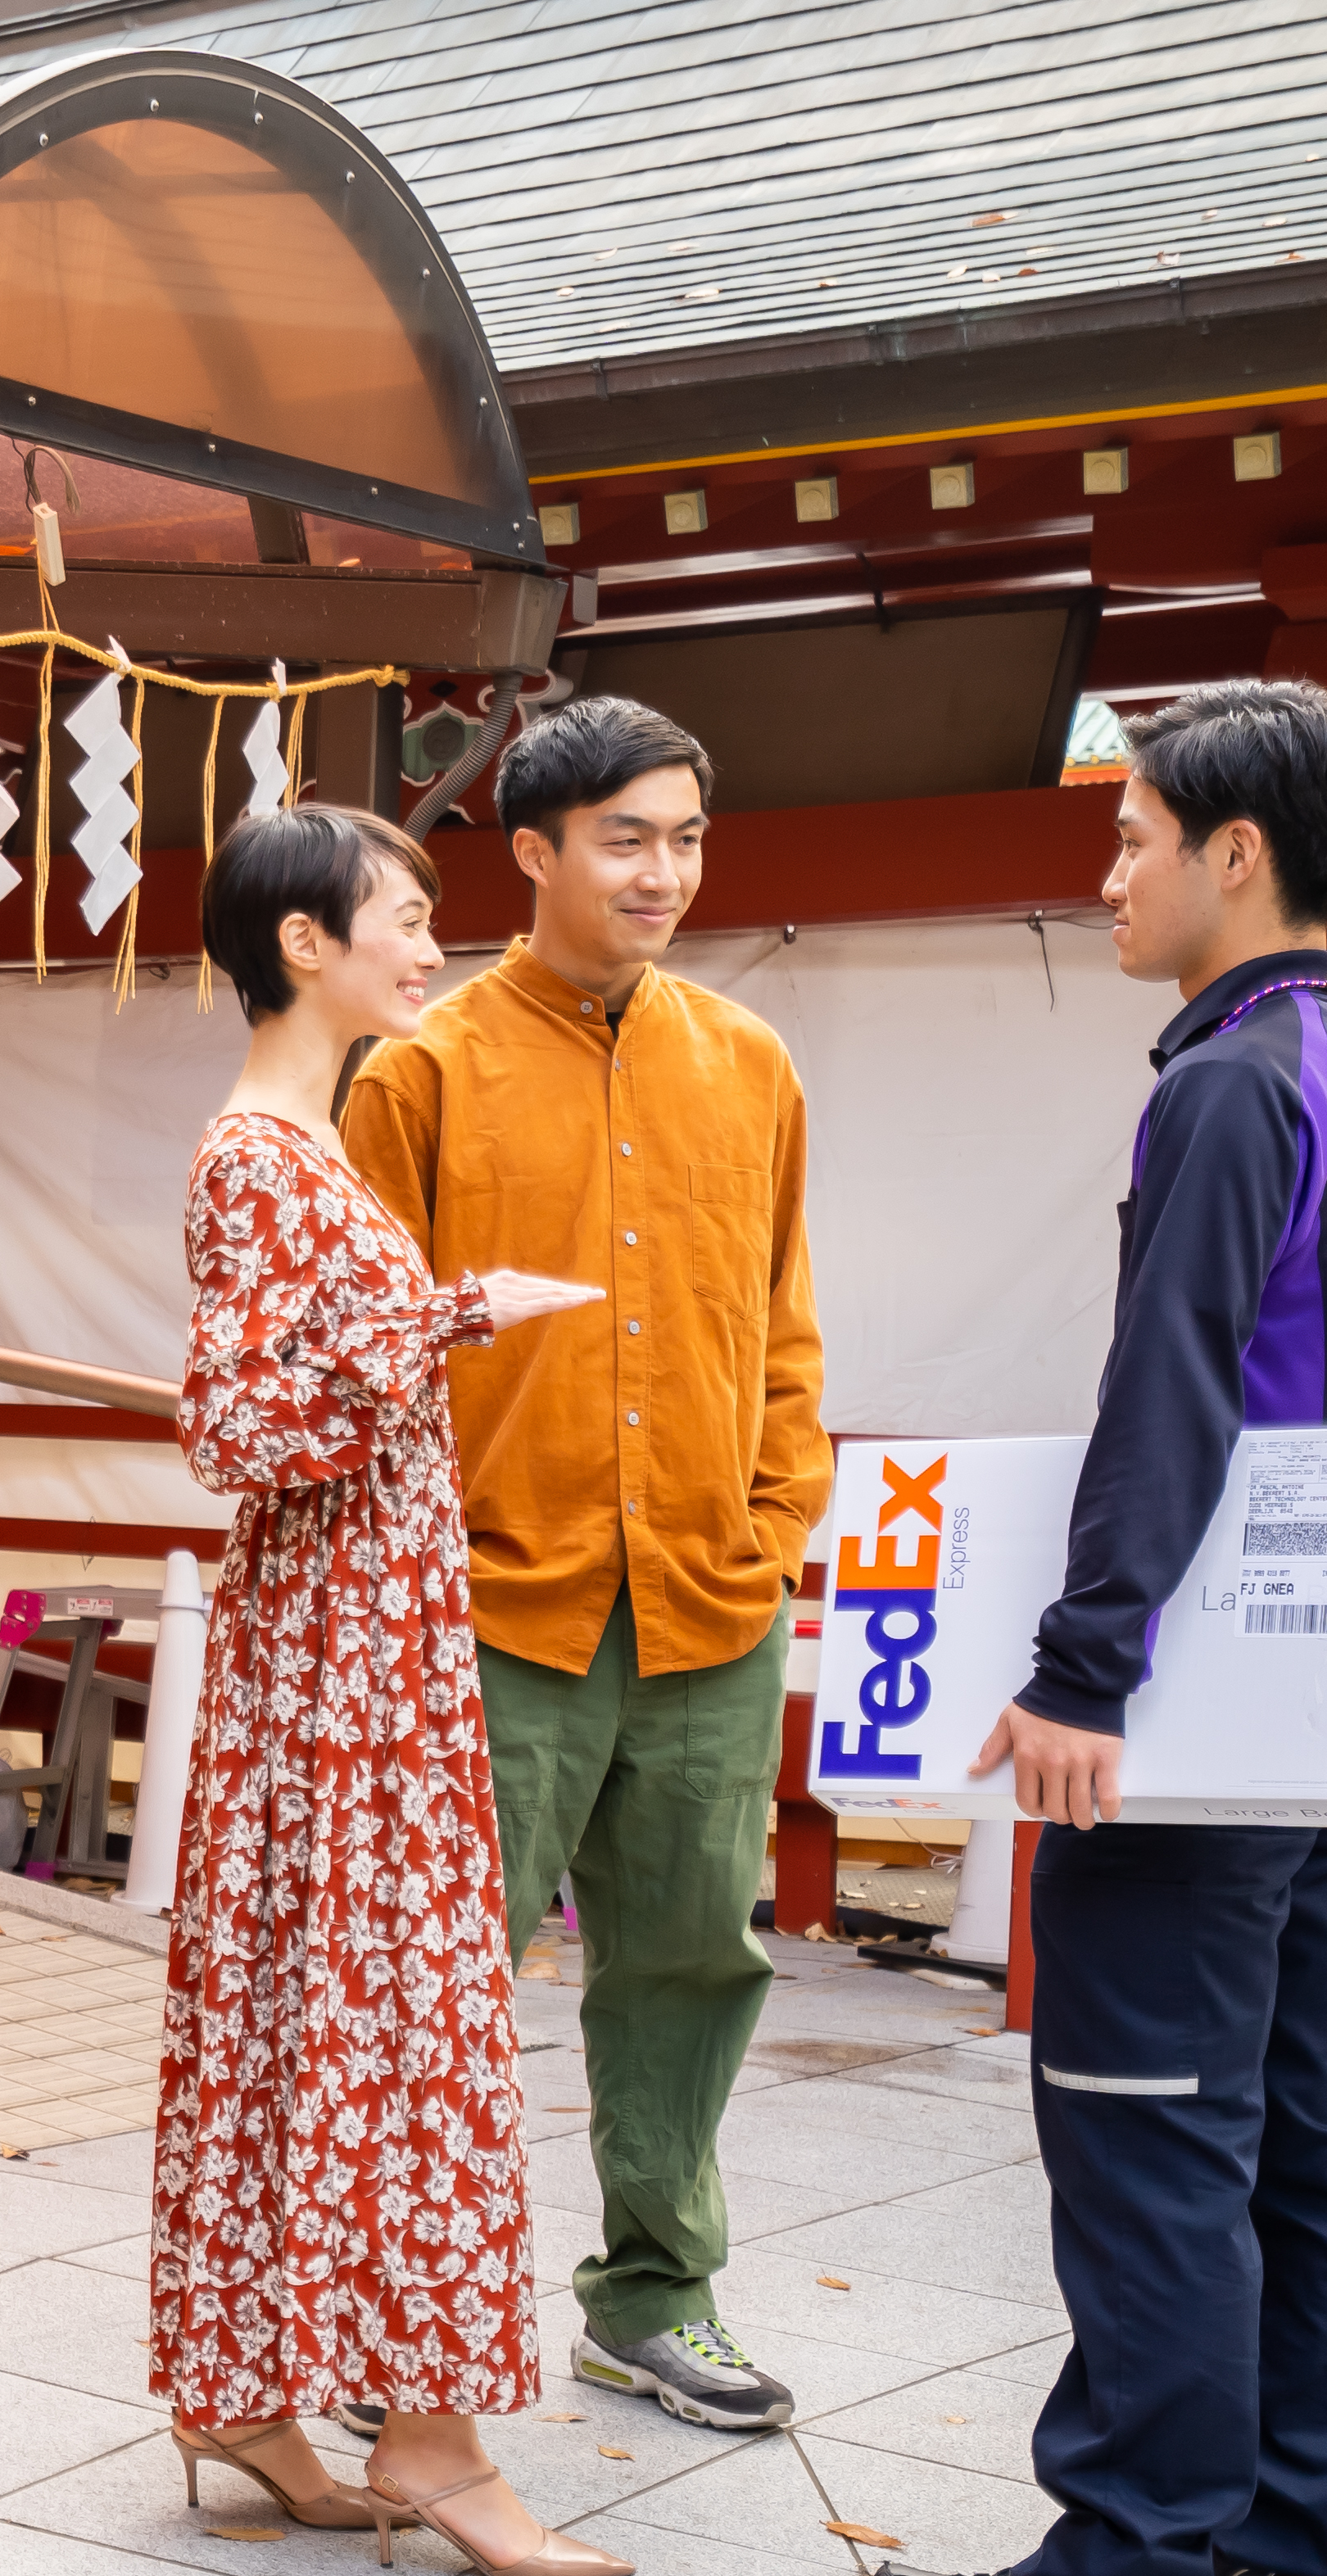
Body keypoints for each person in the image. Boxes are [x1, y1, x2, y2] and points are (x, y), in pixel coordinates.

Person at [865, 680, 1327, 2576]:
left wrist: (1093, 1668)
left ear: (1237, 850)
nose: (1113, 868)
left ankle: (1125, 2573)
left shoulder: (1231, 1084)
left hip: (1197, 1735)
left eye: (1135, 832)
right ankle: (1292, 2544)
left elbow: (1165, 1382)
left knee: (1148, 2120)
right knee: (1310, 2123)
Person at [150, 805, 630, 2576]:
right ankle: (428, 2433)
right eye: (407, 920)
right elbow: (238, 1426)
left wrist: (426, 1316)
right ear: (307, 943)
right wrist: (438, 1322)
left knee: (314, 2013)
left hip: (354, 1641)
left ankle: (249, 2391)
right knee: (405, 2016)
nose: (431, 948)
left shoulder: (305, 1137)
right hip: (345, 1652)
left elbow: (283, 1391)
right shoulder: (262, 1153)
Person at [343, 698, 831, 2437]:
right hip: (495, 1604)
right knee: (436, 1975)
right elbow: (366, 1347)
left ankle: (654, 2295)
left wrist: (779, 1517)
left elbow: (780, 1321)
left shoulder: (751, 1063)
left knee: (697, 1956)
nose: (666, 872)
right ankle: (393, 2328)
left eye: (688, 837)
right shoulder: (421, 1068)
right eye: (627, 837)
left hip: (709, 1593)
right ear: (532, 851)